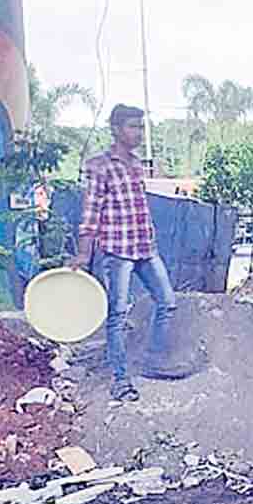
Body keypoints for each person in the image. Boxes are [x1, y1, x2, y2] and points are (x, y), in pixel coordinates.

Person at [70, 104, 177, 402]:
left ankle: (152, 362)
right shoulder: (100, 165)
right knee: (117, 314)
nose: (138, 133)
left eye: (140, 127)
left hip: (145, 246)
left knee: (167, 301)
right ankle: (120, 380)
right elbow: (91, 213)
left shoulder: (137, 162)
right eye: (133, 127)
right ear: (116, 129)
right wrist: (83, 253)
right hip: (117, 249)